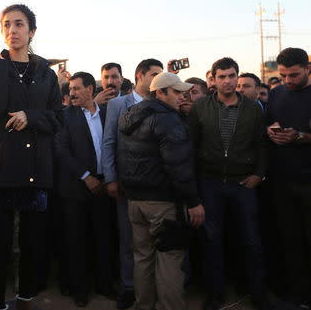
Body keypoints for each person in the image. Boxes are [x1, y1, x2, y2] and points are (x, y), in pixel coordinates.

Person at [0, 4, 63, 310]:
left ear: (32, 31)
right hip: (1, 169)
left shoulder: (46, 74)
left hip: (35, 170)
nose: (12, 30)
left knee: (32, 244)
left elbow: (57, 118)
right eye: (6, 25)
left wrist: (31, 116)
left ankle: (26, 298)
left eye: (19, 24)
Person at [116, 72, 205, 310]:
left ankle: (143, 305)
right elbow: (178, 167)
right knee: (169, 261)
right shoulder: (168, 120)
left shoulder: (128, 115)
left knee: (143, 258)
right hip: (163, 203)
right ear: (160, 93)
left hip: (135, 202)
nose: (182, 96)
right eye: (176, 91)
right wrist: (194, 201)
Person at [188, 57, 270, 310]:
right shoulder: (200, 106)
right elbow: (191, 147)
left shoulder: (253, 108)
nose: (227, 81)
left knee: (252, 240)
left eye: (231, 76)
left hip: (242, 184)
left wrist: (259, 174)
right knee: (212, 241)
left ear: (237, 77)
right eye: (221, 76)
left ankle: (258, 293)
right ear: (213, 79)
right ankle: (215, 295)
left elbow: (262, 145)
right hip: (210, 183)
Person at [101, 58, 163, 309]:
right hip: (126, 184)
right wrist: (111, 179)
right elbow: (109, 143)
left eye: (161, 74)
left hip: (157, 186)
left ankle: (157, 288)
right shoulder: (118, 104)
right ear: (140, 76)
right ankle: (129, 287)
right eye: (154, 75)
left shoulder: (162, 102)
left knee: (157, 241)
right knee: (129, 240)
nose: (158, 79)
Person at [55, 72, 113, 307]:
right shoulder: (65, 116)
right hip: (75, 188)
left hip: (105, 186)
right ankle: (80, 289)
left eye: (77, 88)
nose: (72, 93)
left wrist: (109, 179)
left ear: (91, 89)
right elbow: (61, 150)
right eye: (70, 88)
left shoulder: (107, 114)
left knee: (103, 238)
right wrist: (86, 176)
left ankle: (105, 284)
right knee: (76, 240)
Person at [266, 47, 311, 308]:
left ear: (308, 69)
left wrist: (301, 137)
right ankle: (297, 295)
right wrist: (272, 132)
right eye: (283, 75)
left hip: (308, 182)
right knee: (290, 241)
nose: (287, 81)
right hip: (282, 181)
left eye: (293, 75)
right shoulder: (276, 93)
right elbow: (269, 122)